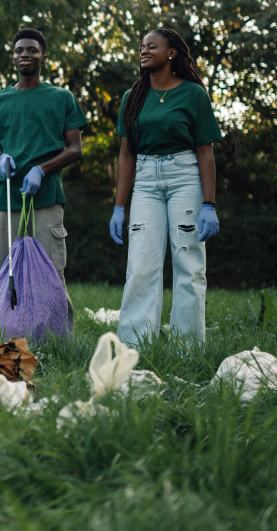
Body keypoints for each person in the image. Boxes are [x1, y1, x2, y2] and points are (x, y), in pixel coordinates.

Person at [109, 28, 222, 345]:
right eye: (141, 46)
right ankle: (134, 347)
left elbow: (205, 151)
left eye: (152, 46)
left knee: (189, 264)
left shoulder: (193, 94)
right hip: (145, 181)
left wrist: (209, 204)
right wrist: (119, 207)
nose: (143, 51)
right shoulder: (132, 99)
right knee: (141, 266)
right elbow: (126, 155)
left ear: (172, 53)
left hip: (185, 177)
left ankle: (188, 350)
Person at [0, 28, 87, 330]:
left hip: (47, 195)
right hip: (6, 195)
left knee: (50, 272)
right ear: (13, 58)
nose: (25, 54)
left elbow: (75, 148)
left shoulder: (61, 98)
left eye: (32, 50)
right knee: (2, 270)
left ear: (44, 58)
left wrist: (43, 168)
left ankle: (57, 341)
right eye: (19, 50)